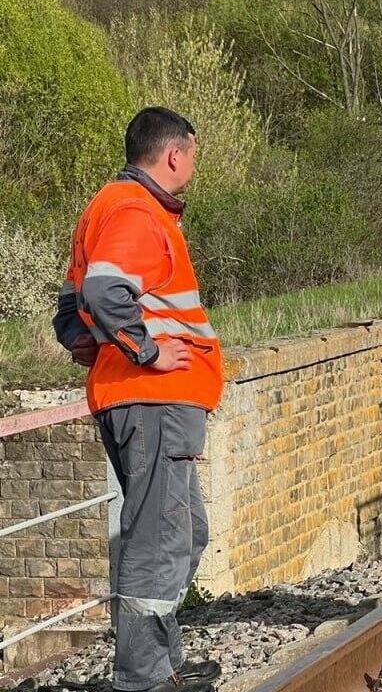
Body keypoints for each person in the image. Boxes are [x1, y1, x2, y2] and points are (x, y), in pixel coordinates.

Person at [53, 107, 224, 692]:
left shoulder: (106, 207)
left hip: (139, 402)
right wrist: (145, 352)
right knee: (158, 541)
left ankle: (162, 662)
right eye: (194, 155)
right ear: (175, 153)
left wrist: (95, 346)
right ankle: (143, 678)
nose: (194, 165)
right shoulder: (138, 211)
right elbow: (103, 292)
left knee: (183, 532)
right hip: (154, 402)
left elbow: (70, 306)